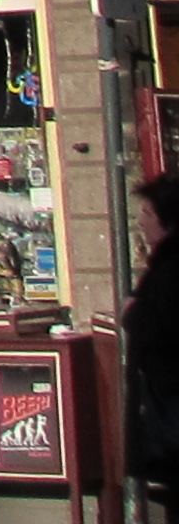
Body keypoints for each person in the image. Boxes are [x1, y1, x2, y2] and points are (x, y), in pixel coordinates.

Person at [124, 175, 179, 508]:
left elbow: (162, 330)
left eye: (147, 212)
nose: (140, 221)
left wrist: (134, 312)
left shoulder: (171, 270)